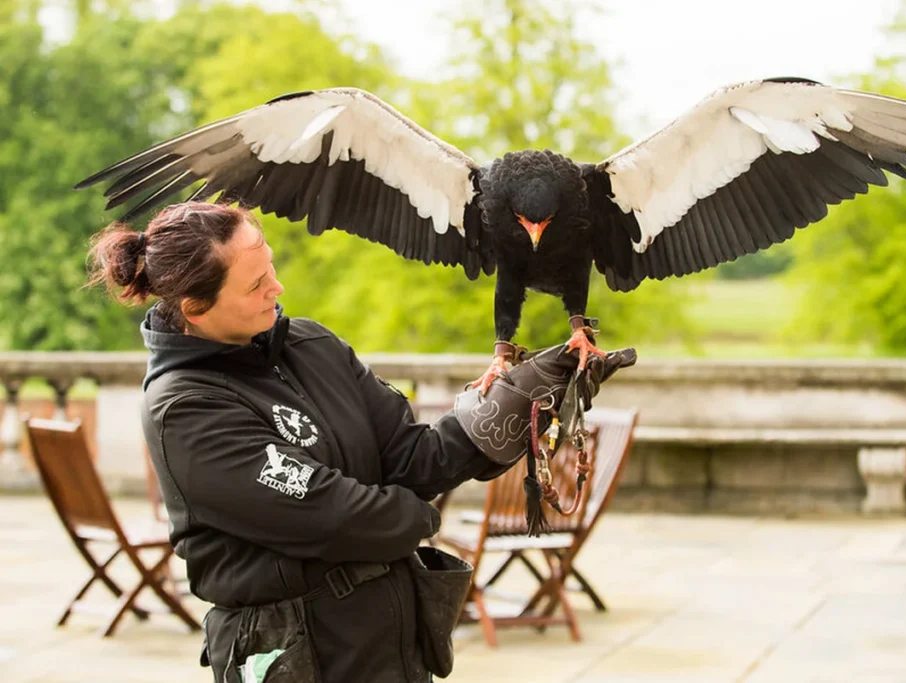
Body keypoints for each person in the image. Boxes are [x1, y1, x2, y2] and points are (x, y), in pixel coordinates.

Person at [86, 201, 636, 683]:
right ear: (195, 309)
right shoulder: (185, 409)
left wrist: (520, 400)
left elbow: (410, 455)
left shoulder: (311, 345)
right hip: (295, 654)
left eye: (270, 266)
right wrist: (417, 518)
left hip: (390, 643)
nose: (276, 287)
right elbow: (332, 514)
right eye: (255, 285)